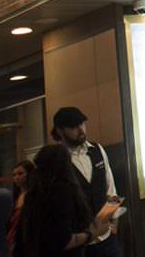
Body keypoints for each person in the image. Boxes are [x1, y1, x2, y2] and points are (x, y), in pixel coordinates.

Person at [15, 144, 119, 257]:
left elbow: (113, 195)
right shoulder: (62, 191)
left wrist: (113, 224)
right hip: (82, 244)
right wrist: (94, 232)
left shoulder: (98, 151)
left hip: (104, 239)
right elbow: (62, 240)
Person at [51, 107, 122, 257]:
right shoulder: (57, 159)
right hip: (79, 245)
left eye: (82, 124)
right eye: (73, 126)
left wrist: (114, 223)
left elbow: (111, 189)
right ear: (60, 131)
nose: (80, 129)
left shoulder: (97, 149)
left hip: (107, 239)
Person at [7, 161, 35, 252]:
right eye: (14, 175)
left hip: (27, 241)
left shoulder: (34, 196)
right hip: (12, 240)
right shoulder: (15, 196)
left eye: (20, 173)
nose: (16, 177)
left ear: (29, 174)